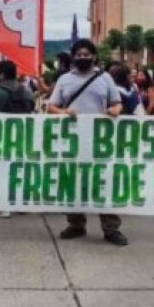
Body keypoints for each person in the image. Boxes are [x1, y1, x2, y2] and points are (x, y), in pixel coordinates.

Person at [48, 38, 127, 246]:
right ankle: (76, 224)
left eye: (86, 54)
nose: (83, 58)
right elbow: (51, 107)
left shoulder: (105, 78)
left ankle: (111, 228)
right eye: (79, 54)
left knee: (104, 183)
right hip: (73, 142)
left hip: (101, 141)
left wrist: (115, 110)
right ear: (74, 57)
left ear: (94, 56)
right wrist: (64, 112)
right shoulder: (65, 80)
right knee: (73, 183)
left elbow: (117, 103)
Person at [0, 59, 34, 218]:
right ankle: (21, 203)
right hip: (22, 137)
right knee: (19, 169)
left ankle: (2, 206)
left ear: (1, 74)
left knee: (0, 170)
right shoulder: (27, 91)